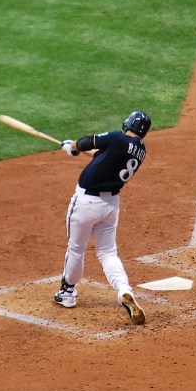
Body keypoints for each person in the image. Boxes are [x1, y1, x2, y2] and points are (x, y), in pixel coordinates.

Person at [53, 111, 151, 325]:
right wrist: (76, 148)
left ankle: (67, 293)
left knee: (76, 249)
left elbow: (87, 142)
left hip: (85, 203)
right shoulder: (140, 151)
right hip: (110, 206)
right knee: (107, 252)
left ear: (129, 124)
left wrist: (73, 147)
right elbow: (103, 154)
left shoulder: (117, 138)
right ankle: (124, 290)